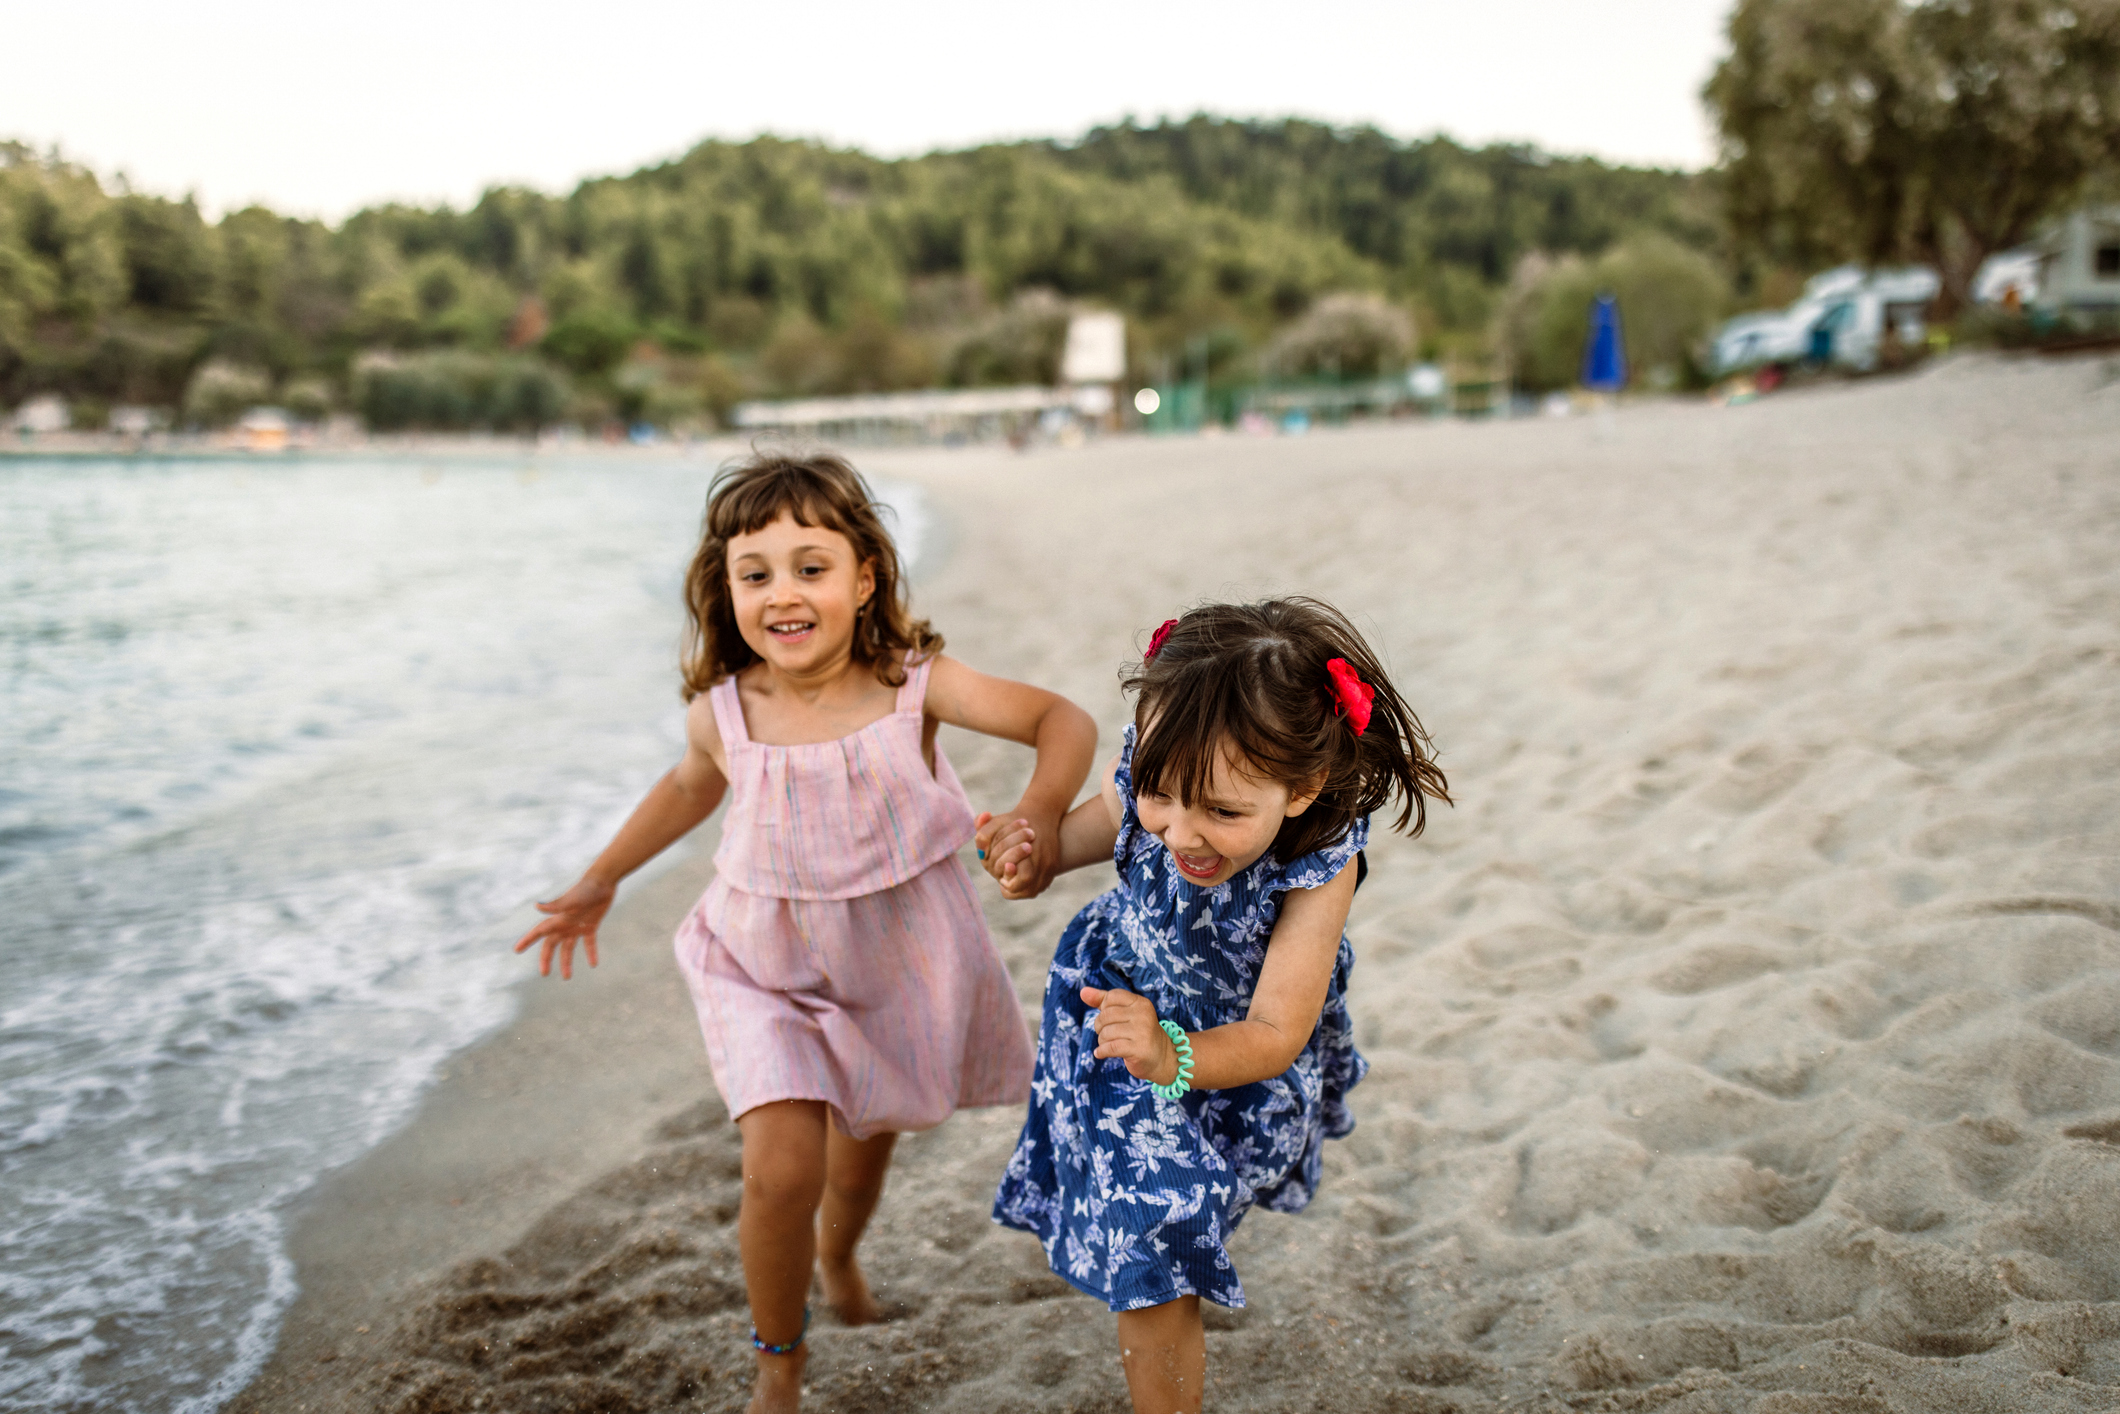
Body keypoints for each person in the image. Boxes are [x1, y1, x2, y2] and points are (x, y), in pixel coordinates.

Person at [516, 450, 1097, 1414]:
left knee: (865, 1154)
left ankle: (840, 1259)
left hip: (901, 963)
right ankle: (778, 1366)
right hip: (762, 961)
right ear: (726, 589)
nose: (783, 593)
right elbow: (686, 791)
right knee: (782, 1167)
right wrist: (599, 880)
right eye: (756, 574)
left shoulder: (914, 685)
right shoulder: (728, 712)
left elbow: (1060, 719)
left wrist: (1036, 813)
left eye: (810, 567)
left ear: (864, 577)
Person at [979, 599, 1450, 1414]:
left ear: (1300, 789)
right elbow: (1103, 827)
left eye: (1224, 813)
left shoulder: (1318, 867)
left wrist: (1174, 1055)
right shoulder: (1166, 784)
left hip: (1222, 1058)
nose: (1181, 835)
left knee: (1174, 1238)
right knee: (1157, 1258)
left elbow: (1276, 1032)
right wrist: (1039, 853)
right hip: (1116, 1024)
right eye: (1160, 796)